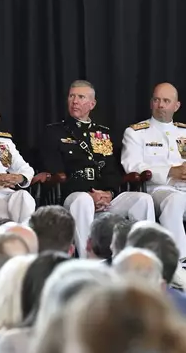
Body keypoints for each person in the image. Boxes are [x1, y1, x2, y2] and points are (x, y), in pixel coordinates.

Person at [40, 80, 154, 258]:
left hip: (104, 197)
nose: (75, 101)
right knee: (83, 200)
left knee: (143, 200)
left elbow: (111, 170)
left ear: (92, 104)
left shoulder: (102, 133)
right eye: (71, 96)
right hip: (73, 195)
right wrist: (90, 193)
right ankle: (89, 261)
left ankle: (144, 259)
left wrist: (109, 192)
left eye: (81, 97)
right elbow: (55, 171)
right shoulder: (54, 132)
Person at [121, 83, 186, 262]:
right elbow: (132, 166)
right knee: (176, 201)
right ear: (151, 103)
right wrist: (170, 172)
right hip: (157, 190)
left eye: (166, 101)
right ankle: (180, 261)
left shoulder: (184, 131)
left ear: (176, 106)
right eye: (157, 100)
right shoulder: (136, 132)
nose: (161, 105)